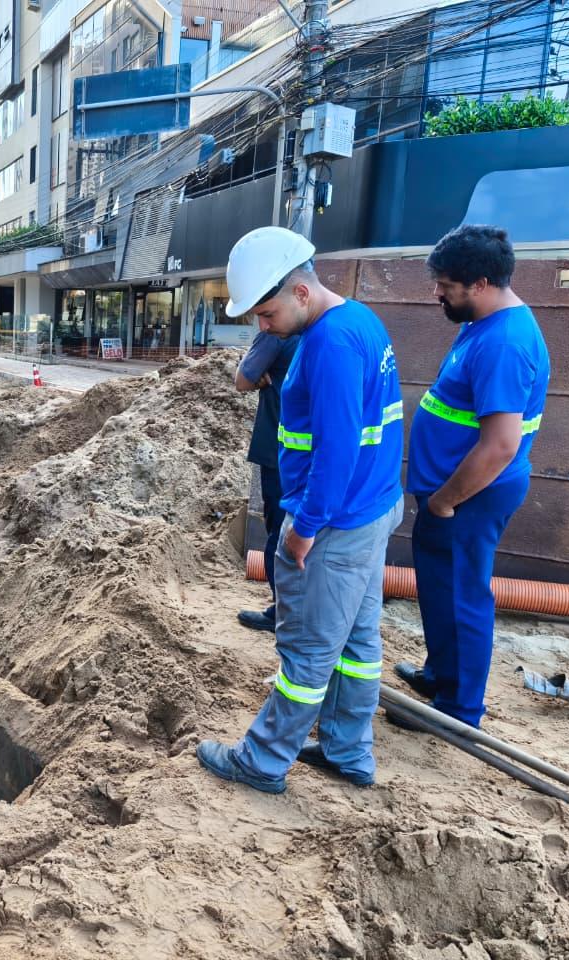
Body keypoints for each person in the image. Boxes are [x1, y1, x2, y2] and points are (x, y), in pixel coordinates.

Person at [196, 227, 404, 793]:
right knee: (357, 645)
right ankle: (347, 749)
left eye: (266, 314)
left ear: (302, 293)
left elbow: (336, 449)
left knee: (309, 652)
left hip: (336, 521)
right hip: (372, 509)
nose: (263, 328)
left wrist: (305, 528)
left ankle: (262, 761)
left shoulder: (329, 345)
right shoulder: (360, 321)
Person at [396, 225, 550, 728]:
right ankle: (442, 673)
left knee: (462, 597)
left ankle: (457, 711)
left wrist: (444, 501)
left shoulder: (504, 343)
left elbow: (501, 445)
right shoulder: (482, 324)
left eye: (445, 285)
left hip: (466, 499)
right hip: (452, 493)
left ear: (479, 283)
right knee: (442, 590)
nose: (437, 292)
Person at [234, 327, 300, 633]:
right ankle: (293, 610)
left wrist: (258, 375)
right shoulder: (318, 331)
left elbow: (242, 379)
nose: (262, 320)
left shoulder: (276, 333)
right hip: (305, 450)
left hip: (280, 448)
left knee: (278, 528)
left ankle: (281, 613)